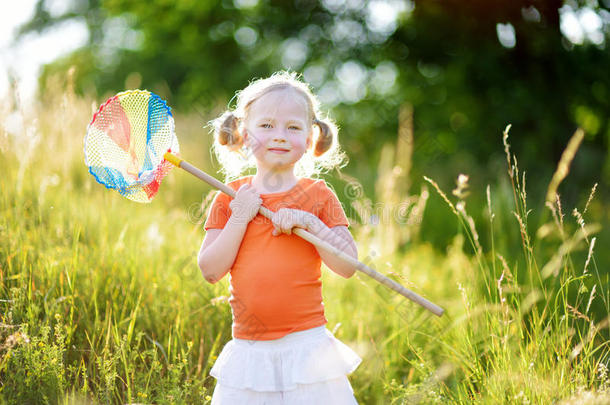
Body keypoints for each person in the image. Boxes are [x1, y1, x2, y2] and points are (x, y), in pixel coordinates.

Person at [199, 71, 361, 404]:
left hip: (308, 347)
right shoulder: (230, 197)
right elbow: (210, 270)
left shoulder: (318, 196)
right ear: (244, 134)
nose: (280, 136)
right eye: (267, 126)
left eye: (293, 127)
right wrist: (240, 216)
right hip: (251, 349)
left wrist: (311, 224)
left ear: (311, 137)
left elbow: (348, 267)